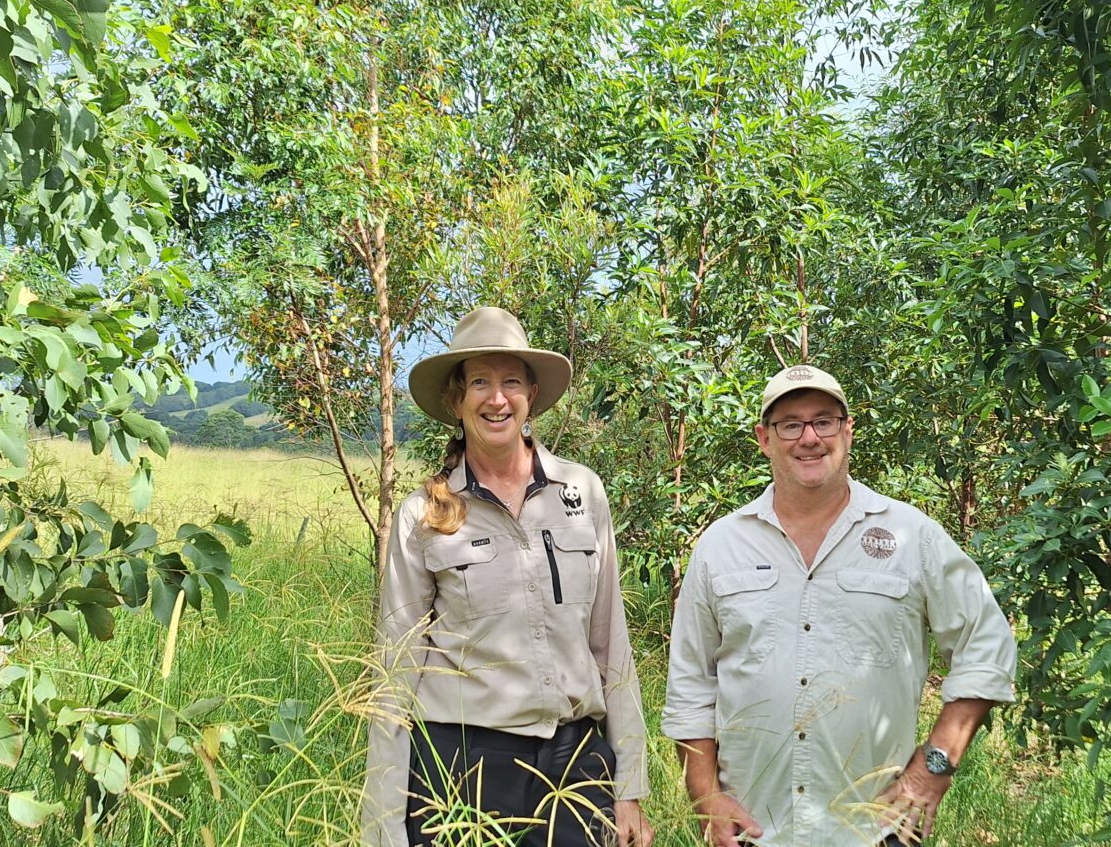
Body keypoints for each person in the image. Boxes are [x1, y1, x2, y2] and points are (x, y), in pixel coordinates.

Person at [662, 364, 1017, 847]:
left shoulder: (911, 536)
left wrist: (935, 767)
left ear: (847, 432)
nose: (809, 438)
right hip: (753, 829)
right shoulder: (721, 546)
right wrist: (704, 796)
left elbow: (987, 645)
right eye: (791, 424)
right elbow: (690, 682)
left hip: (873, 828)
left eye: (824, 420)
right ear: (764, 438)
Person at [363, 307, 653, 847]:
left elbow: (612, 645)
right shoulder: (424, 513)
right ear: (456, 399)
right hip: (462, 767)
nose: (496, 398)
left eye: (510, 382)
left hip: (578, 764)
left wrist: (629, 784)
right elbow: (393, 671)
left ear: (531, 394)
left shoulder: (582, 492)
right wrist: (382, 825)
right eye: (479, 382)